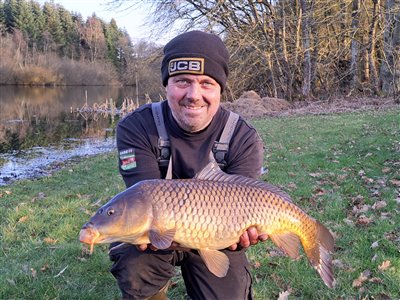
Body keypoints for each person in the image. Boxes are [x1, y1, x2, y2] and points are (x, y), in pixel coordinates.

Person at [110, 30, 267, 300]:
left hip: (216, 235)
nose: (194, 95)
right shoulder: (137, 127)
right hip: (157, 233)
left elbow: (247, 201)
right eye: (182, 81)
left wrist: (246, 232)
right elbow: (142, 201)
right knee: (135, 263)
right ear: (166, 85)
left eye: (207, 83)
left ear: (220, 89)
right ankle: (153, 291)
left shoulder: (243, 136)